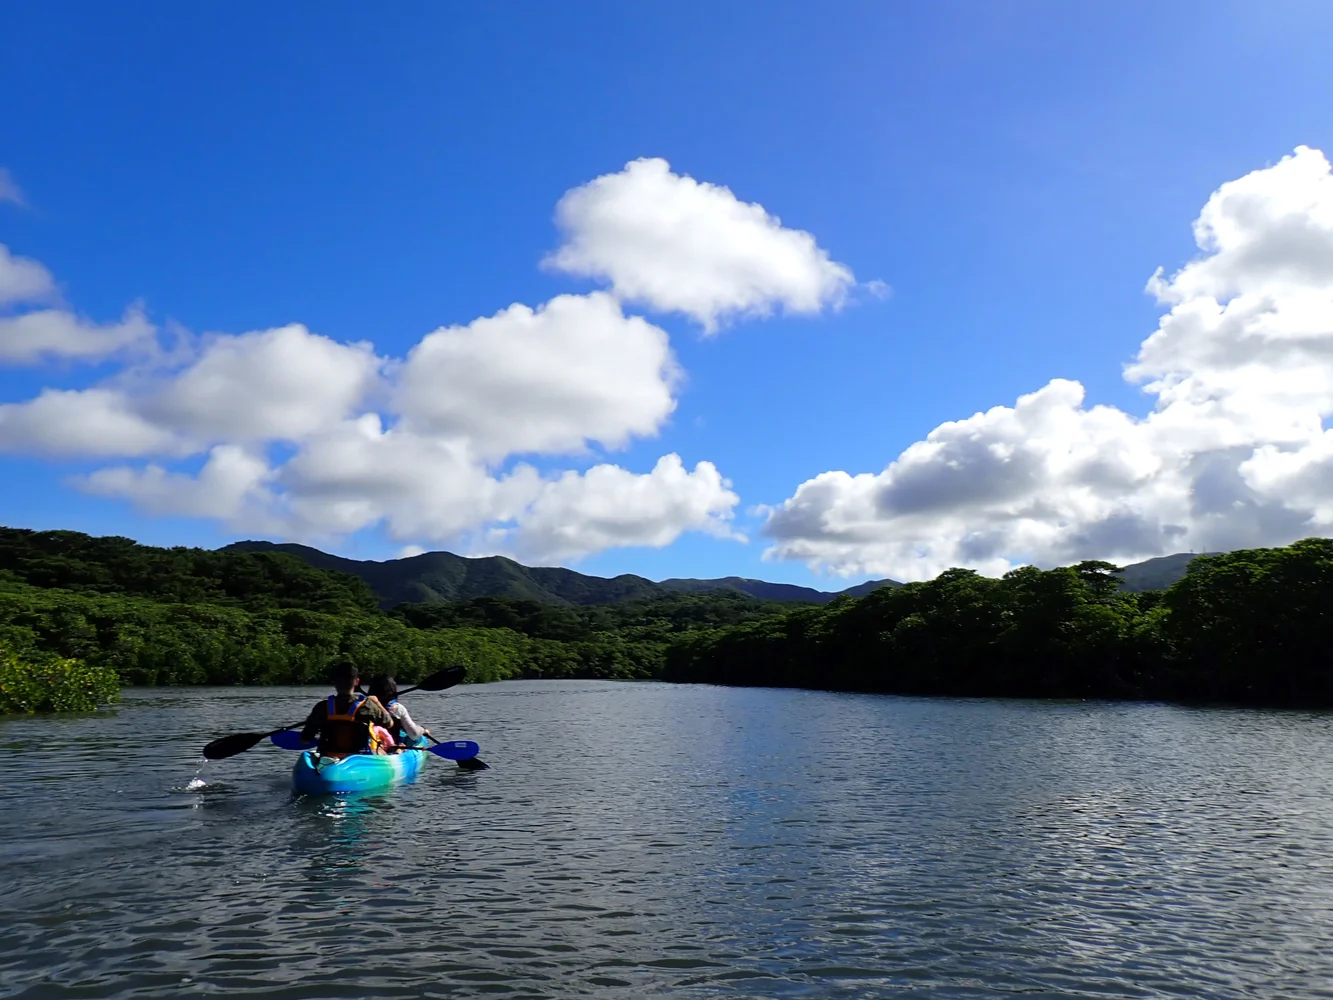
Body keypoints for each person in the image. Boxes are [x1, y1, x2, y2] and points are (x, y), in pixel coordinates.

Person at [300, 660, 395, 758]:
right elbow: (389, 723)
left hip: (328, 757)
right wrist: (377, 703)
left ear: (335, 682)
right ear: (357, 682)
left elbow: (306, 739)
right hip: (357, 759)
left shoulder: (321, 707)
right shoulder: (368, 706)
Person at [367, 674, 432, 748]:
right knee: (418, 739)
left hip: (372, 745)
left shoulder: (365, 707)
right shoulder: (397, 709)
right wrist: (423, 730)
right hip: (392, 747)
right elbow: (414, 734)